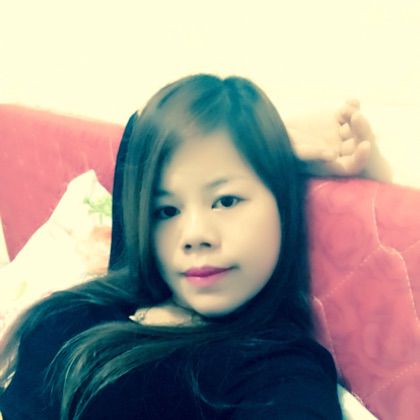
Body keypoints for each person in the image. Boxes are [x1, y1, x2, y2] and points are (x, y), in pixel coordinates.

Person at [0, 74, 389, 419]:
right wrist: (279, 135)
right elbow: (140, 140)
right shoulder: (123, 286)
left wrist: (267, 143)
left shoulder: (272, 370)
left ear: (282, 203)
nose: (194, 235)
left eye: (225, 201)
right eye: (167, 210)